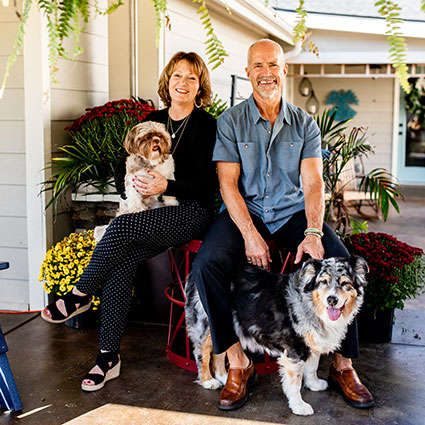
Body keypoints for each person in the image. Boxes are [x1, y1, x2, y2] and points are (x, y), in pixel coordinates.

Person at [191, 39, 374, 411]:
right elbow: (228, 183)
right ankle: (237, 362)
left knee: (339, 260)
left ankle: (343, 365)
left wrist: (312, 231)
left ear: (284, 70)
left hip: (291, 213)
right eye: (257, 66)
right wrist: (249, 234)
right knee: (208, 264)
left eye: (272, 65)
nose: (266, 73)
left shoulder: (304, 123)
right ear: (248, 73)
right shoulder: (231, 121)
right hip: (249, 211)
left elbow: (313, 183)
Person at [41, 52, 217, 391]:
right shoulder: (153, 118)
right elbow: (129, 159)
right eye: (177, 76)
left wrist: (167, 185)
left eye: (191, 78)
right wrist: (136, 179)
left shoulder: (207, 126)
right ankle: (108, 357)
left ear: (200, 87)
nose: (183, 83)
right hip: (151, 210)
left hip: (191, 212)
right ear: (168, 81)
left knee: (120, 226)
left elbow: (208, 185)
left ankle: (79, 294)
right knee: (120, 261)